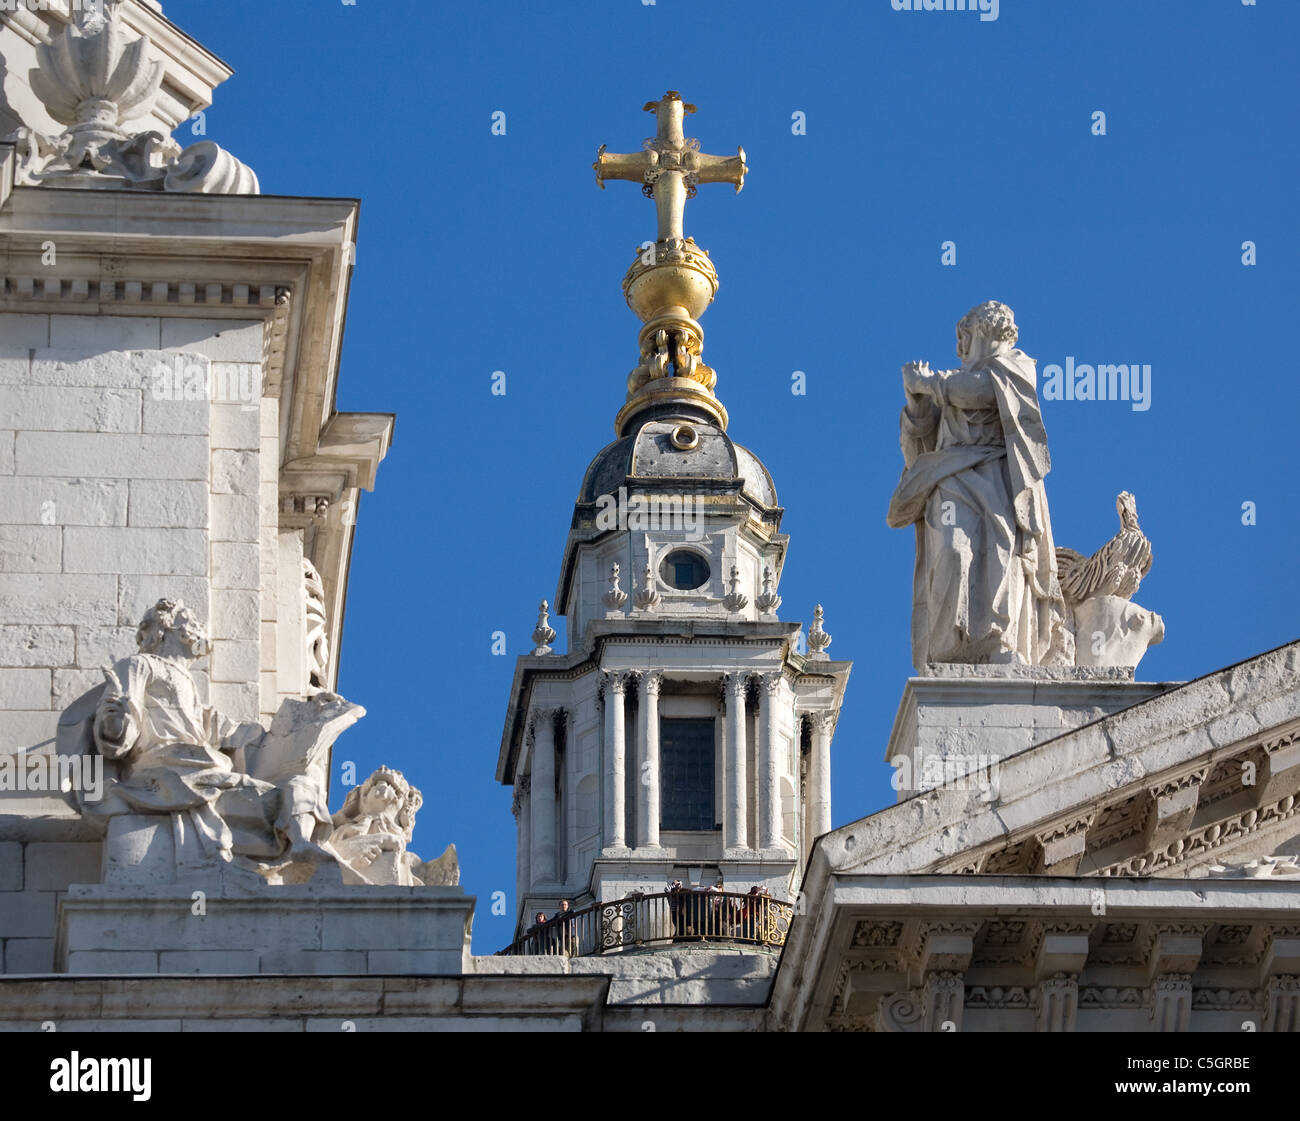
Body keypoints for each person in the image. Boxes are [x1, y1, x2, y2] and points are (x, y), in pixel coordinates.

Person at [887, 302, 1069, 668]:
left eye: (965, 338)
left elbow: (982, 391)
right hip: (951, 479)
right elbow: (919, 446)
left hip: (1000, 478)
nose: (961, 348)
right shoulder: (954, 383)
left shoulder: (1016, 367)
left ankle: (996, 639)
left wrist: (930, 384)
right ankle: (947, 647)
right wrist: (917, 404)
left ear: (981, 331)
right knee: (953, 551)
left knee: (1002, 555)